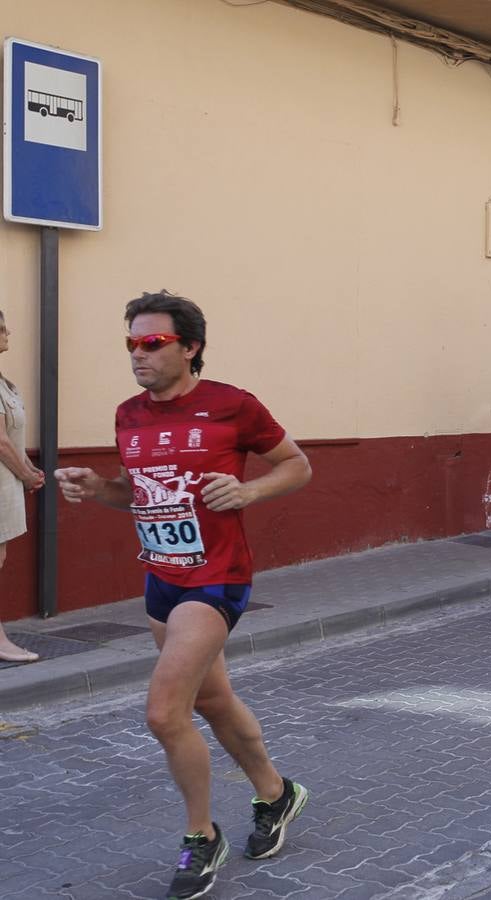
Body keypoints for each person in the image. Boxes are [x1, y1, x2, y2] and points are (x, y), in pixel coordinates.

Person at [54, 292, 312, 900]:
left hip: (216, 577)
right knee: (214, 702)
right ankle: (277, 794)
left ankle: (201, 836)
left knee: (164, 712)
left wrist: (249, 493)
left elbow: (297, 465)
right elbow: (137, 495)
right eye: (131, 344)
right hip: (161, 580)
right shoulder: (128, 415)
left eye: (152, 343)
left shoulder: (232, 405)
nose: (138, 355)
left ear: (189, 347)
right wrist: (97, 489)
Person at [0, 310, 45, 663]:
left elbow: (12, 439)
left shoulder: (4, 383)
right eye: (2, 328)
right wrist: (28, 475)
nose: (8, 332)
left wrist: (29, 466)